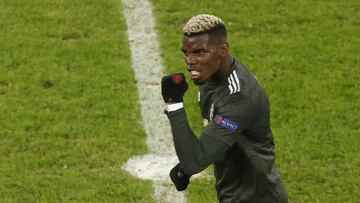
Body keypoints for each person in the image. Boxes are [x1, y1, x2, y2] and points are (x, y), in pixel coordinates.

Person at [161, 14, 288, 203]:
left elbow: (195, 161)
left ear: (222, 49)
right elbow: (215, 140)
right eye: (186, 53)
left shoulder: (238, 97)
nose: (190, 61)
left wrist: (174, 104)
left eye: (199, 52)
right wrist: (185, 167)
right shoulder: (210, 76)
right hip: (236, 193)